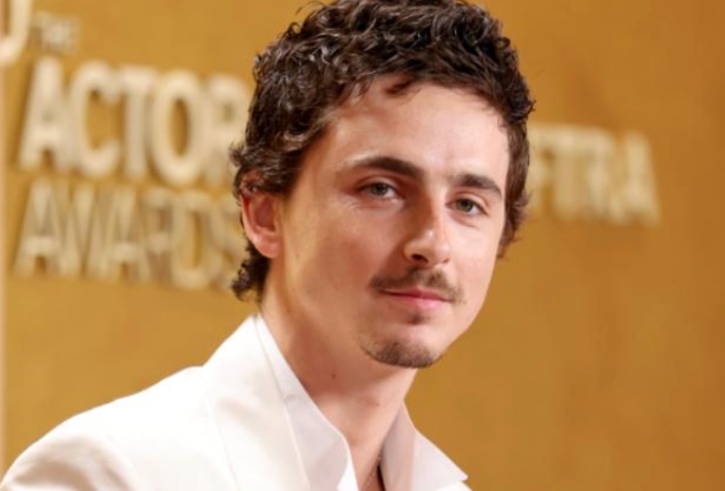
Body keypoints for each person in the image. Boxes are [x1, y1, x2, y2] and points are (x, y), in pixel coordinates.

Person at [1, 0, 533, 489]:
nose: (432, 243)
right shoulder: (108, 472)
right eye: (381, 189)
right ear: (264, 213)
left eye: (468, 204)